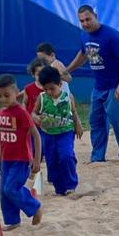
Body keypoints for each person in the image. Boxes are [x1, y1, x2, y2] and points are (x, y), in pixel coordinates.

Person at [65, 5, 119, 164]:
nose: (85, 23)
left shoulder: (112, 35)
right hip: (99, 87)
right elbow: (83, 54)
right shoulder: (84, 36)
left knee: (118, 120)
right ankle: (98, 156)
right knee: (96, 120)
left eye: (88, 19)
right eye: (81, 21)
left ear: (95, 16)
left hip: (115, 86)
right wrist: (68, 70)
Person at [0, 74, 43, 230]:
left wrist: (36, 159)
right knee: (3, 192)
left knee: (11, 188)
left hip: (21, 160)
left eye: (7, 95)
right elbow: (3, 139)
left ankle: (35, 207)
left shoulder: (22, 113)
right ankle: (13, 221)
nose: (3, 99)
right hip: (6, 160)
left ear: (16, 92)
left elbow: (36, 135)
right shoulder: (1, 113)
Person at [33, 66, 84, 196]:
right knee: (52, 159)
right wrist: (37, 118)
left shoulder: (68, 97)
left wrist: (78, 124)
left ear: (60, 84)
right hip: (48, 134)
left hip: (66, 132)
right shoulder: (42, 98)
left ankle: (71, 184)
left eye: (52, 88)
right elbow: (33, 112)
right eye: (46, 89)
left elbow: (74, 111)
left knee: (66, 156)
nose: (49, 92)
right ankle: (59, 188)